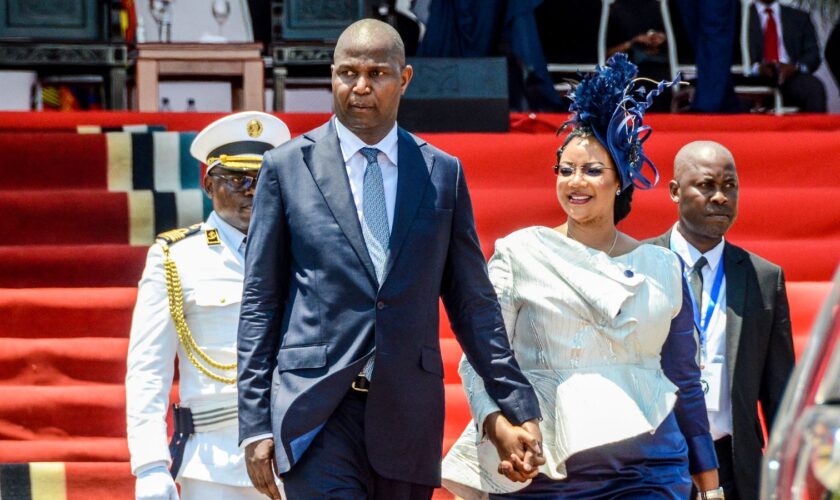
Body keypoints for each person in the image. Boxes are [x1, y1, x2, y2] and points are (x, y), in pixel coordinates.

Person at [236, 18, 543, 500]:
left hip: (408, 414)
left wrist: (517, 403)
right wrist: (254, 423)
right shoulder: (285, 167)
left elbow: (473, 303)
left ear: (404, 79)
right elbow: (260, 303)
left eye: (376, 73)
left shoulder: (441, 172)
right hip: (316, 413)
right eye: (346, 73)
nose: (359, 86)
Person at [441, 54, 722, 499]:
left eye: (593, 170)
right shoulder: (520, 253)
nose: (577, 181)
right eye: (566, 170)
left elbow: (683, 380)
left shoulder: (663, 267)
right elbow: (482, 359)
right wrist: (498, 428)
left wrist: (710, 483)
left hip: (650, 469)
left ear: (621, 181)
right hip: (545, 468)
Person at [125, 111, 290, 499]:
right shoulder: (176, 258)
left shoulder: (301, 253)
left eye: (263, 179)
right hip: (213, 463)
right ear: (208, 185)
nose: (252, 190)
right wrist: (149, 464)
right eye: (237, 180)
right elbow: (148, 368)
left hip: (293, 456)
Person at [648, 140, 795, 500]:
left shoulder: (763, 278)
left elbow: (779, 393)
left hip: (733, 463)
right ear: (674, 191)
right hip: (652, 461)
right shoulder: (637, 266)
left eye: (730, 186)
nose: (720, 197)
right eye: (706, 185)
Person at [748, 0, 826, 112]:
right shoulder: (741, 17)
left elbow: (812, 54)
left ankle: (815, 129)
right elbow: (733, 56)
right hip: (754, 77)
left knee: (814, 88)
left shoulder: (799, 17)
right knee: (734, 97)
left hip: (790, 76)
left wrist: (795, 67)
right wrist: (757, 68)